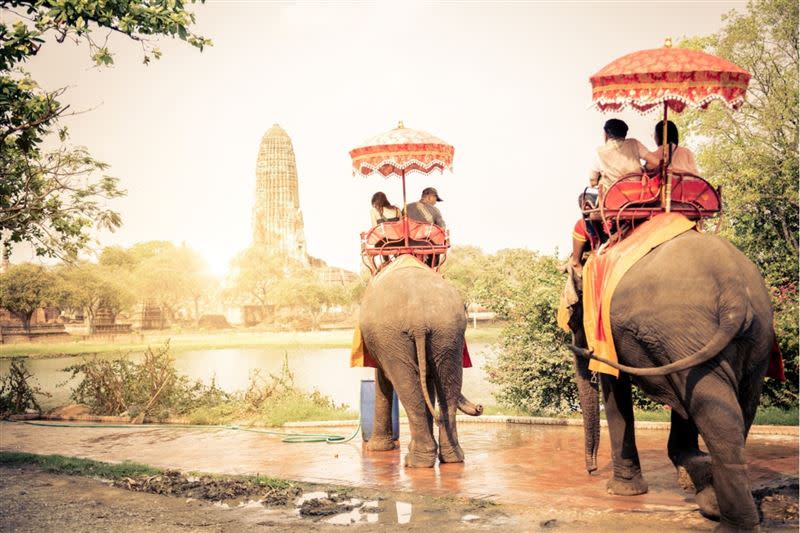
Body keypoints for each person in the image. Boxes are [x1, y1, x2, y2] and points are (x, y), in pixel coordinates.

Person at [589, 119, 660, 192]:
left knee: (584, 196)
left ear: (606, 134)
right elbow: (657, 162)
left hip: (613, 196)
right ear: (625, 134)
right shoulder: (634, 143)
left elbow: (592, 180)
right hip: (637, 193)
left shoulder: (599, 152)